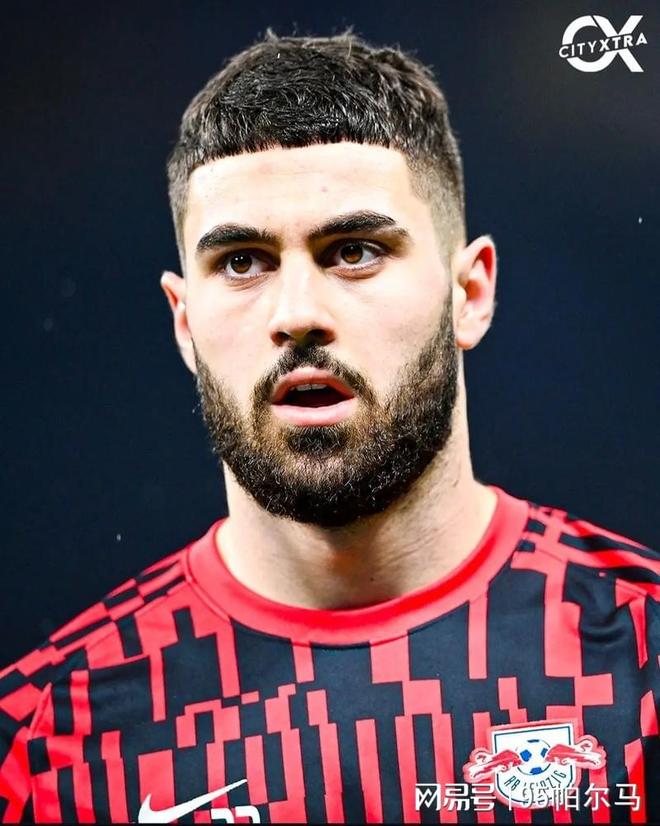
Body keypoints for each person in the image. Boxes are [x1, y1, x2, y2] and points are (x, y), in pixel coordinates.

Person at [0, 30, 657, 825]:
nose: (298, 313)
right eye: (241, 261)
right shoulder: (42, 744)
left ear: (470, 293)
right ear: (183, 321)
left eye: (354, 251)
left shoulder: (643, 659)